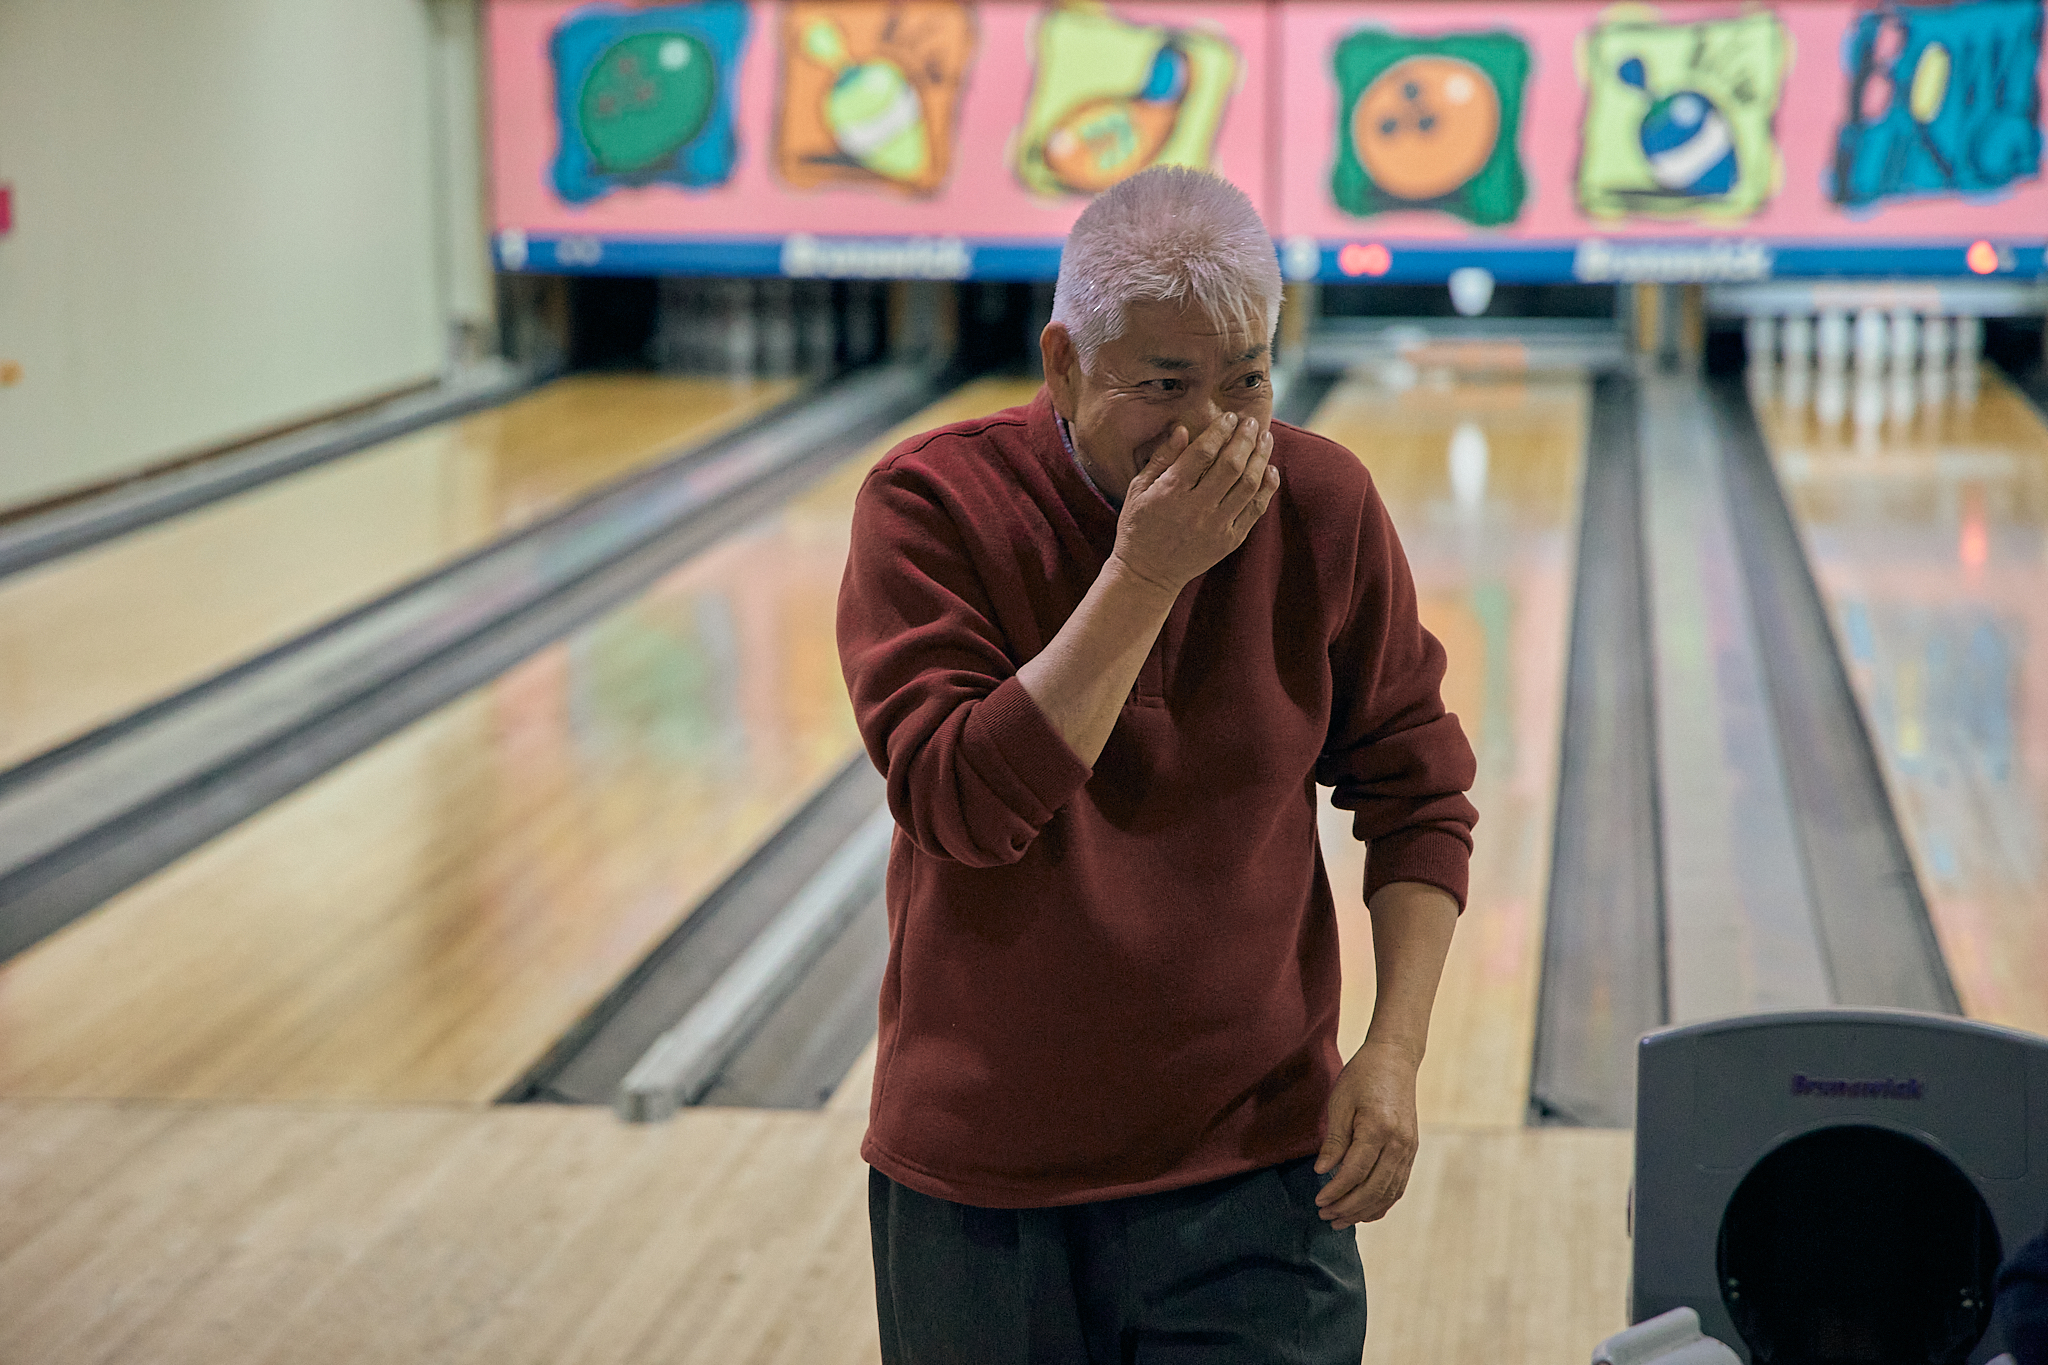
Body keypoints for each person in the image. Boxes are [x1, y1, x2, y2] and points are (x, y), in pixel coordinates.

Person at [835, 166, 1478, 1364]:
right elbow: (961, 805)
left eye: (1245, 380)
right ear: (1064, 362)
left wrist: (1392, 1048)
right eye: (1163, 386)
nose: (1211, 429)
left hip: (1256, 1172)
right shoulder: (927, 505)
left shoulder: (1322, 503)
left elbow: (1418, 791)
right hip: (982, 1182)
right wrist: (1144, 576)